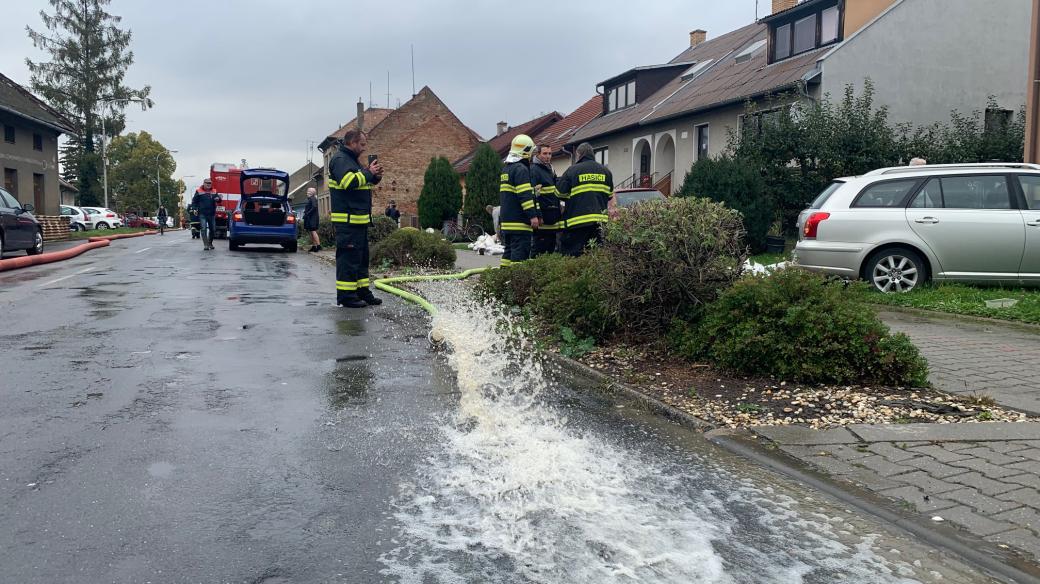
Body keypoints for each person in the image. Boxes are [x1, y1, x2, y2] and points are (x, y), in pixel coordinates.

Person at [328, 130, 383, 308]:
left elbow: (361, 182)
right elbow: (348, 182)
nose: (364, 148)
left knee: (360, 261)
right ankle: (346, 297)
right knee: (348, 261)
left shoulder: (352, 161)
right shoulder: (340, 160)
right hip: (348, 222)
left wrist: (374, 177)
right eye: (362, 144)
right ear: (352, 142)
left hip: (358, 222)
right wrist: (368, 172)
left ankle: (362, 292)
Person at [557, 142, 614, 257]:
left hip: (577, 222)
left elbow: (559, 193)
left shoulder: (572, 170)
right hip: (599, 223)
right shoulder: (606, 171)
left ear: (579, 154)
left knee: (574, 255)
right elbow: (609, 196)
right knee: (596, 255)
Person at [498, 134, 541, 266]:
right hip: (520, 222)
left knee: (508, 253)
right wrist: (533, 216)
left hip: (507, 221)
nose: (532, 155)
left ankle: (503, 281)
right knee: (520, 256)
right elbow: (524, 196)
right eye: (531, 152)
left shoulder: (506, 169)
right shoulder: (521, 169)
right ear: (526, 152)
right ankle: (517, 284)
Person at [530, 144, 561, 256]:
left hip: (552, 217)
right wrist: (538, 215)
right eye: (545, 153)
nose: (548, 156)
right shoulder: (534, 170)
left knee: (550, 250)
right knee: (539, 250)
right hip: (542, 218)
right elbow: (534, 195)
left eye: (550, 153)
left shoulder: (550, 169)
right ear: (537, 154)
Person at [191, 178, 220, 250]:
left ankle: (210, 242)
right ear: (203, 183)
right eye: (207, 183)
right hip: (202, 214)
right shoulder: (199, 191)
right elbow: (194, 201)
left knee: (213, 229)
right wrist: (194, 208)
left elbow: (219, 199)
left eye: (209, 183)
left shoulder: (214, 191)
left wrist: (218, 199)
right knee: (203, 229)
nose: (208, 184)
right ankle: (206, 244)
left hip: (211, 213)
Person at [304, 187, 321, 252]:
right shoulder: (310, 199)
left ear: (312, 193)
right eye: (307, 191)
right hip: (311, 218)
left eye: (309, 191)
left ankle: (319, 246)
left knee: (313, 231)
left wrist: (308, 213)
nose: (307, 192)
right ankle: (314, 246)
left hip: (313, 218)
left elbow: (314, 207)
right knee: (312, 232)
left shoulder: (312, 198)